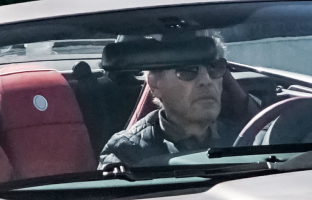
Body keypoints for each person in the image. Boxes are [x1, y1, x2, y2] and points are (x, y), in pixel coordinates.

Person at [99, 31, 233, 171]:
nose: (206, 80)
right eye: (188, 70)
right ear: (155, 83)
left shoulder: (245, 138)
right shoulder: (126, 152)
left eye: (214, 67)